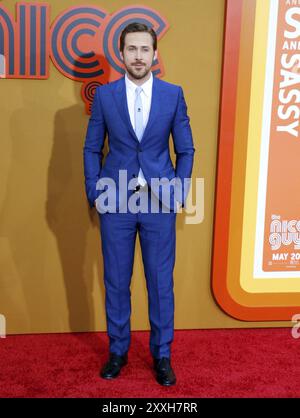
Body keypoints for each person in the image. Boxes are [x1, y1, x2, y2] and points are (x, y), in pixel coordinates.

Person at [83, 22, 195, 386]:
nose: (138, 56)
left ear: (155, 54)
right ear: (121, 54)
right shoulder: (105, 96)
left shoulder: (173, 94)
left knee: (160, 282)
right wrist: (94, 191)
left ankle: (162, 355)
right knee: (116, 281)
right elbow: (91, 147)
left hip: (159, 202)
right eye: (131, 49)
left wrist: (178, 192)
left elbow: (187, 149)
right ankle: (118, 351)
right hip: (115, 201)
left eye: (145, 49)